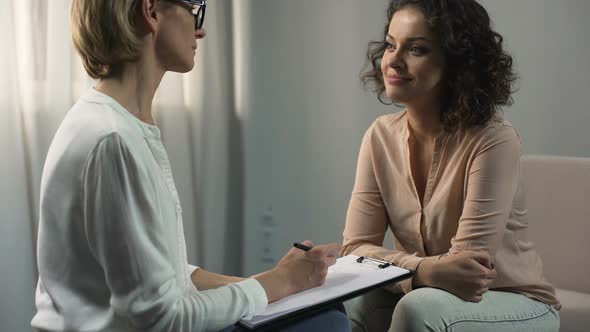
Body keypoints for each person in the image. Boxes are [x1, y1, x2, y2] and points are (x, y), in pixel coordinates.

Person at [31, 0, 351, 331]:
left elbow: (166, 275)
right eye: (195, 8)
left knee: (321, 312)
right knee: (326, 322)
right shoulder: (113, 140)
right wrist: (278, 283)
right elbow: (164, 319)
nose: (200, 29)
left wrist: (276, 282)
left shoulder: (117, 124)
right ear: (151, 11)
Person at [341, 0, 561, 331]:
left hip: (517, 303)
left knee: (419, 306)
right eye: (390, 45)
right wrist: (421, 270)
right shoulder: (379, 136)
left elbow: (468, 270)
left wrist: (400, 268)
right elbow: (354, 250)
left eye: (416, 49)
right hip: (429, 291)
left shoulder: (494, 139)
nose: (393, 61)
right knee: (354, 297)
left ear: (457, 63)